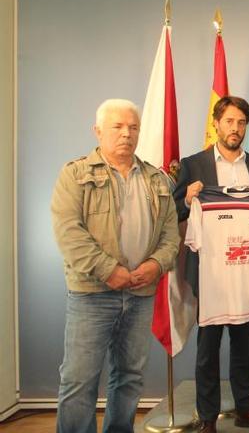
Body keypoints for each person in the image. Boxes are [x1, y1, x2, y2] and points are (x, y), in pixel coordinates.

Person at [51, 98, 180, 433]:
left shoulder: (156, 179)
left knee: (129, 378)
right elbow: (69, 233)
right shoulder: (75, 174)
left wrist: (156, 265)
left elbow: (171, 237)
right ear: (98, 131)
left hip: (141, 294)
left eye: (133, 127)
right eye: (118, 127)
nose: (127, 134)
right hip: (92, 293)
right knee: (79, 381)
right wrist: (109, 270)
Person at [173, 96, 249, 433]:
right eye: (229, 121)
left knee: (243, 347)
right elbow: (174, 210)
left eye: (242, 122)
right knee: (208, 349)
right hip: (210, 269)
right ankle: (208, 417)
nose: (235, 128)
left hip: (245, 267)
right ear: (216, 123)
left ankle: (245, 409)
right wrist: (188, 198)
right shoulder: (193, 163)